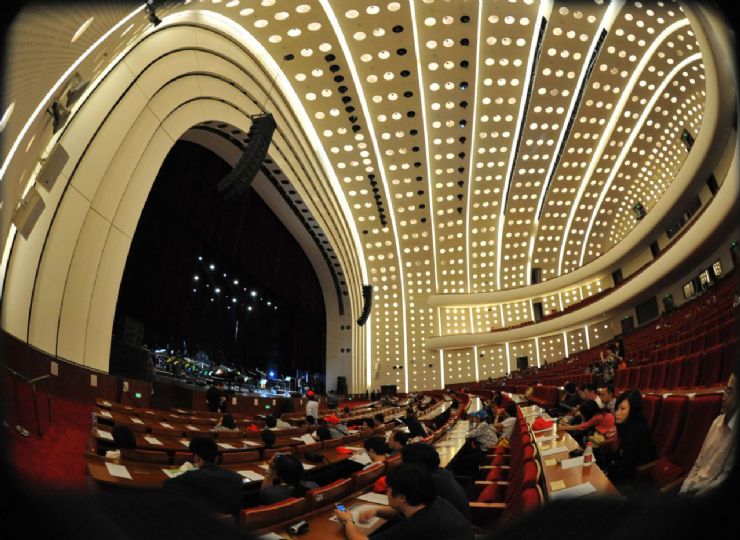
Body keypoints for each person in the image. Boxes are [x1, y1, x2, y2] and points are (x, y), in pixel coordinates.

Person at [334, 463, 473, 540]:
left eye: (388, 490)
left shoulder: (417, 525)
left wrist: (347, 520)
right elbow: (401, 510)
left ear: (401, 497)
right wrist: (377, 510)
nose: (386, 493)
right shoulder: (433, 501)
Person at [680, 373, 736, 495]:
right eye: (725, 389)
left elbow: (722, 481)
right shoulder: (716, 422)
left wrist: (693, 499)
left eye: (730, 392)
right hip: (691, 488)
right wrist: (684, 489)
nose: (724, 396)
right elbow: (699, 462)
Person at [163, 437, 243, 518]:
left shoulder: (192, 476)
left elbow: (167, 484)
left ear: (197, 457)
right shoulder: (236, 478)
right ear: (216, 457)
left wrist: (187, 473)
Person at [402, 443, 471, 521]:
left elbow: (410, 510)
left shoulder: (427, 481)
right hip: (460, 523)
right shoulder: (442, 472)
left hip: (449, 527)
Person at [606, 390, 657, 492]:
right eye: (617, 409)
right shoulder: (626, 424)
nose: (617, 413)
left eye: (622, 409)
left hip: (638, 476)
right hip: (627, 469)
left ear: (633, 410)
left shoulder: (637, 429)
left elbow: (627, 464)